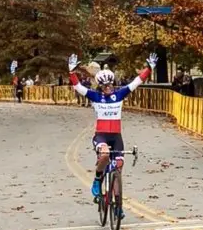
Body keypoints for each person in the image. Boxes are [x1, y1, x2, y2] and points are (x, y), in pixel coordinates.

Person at [67, 52, 157, 220]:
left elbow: (136, 82)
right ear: (101, 86)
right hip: (101, 136)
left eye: (110, 84)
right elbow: (78, 87)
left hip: (116, 137)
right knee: (105, 155)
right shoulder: (95, 96)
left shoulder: (119, 94)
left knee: (118, 167)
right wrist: (71, 71)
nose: (109, 87)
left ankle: (117, 206)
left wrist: (149, 69)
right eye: (106, 85)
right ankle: (97, 179)